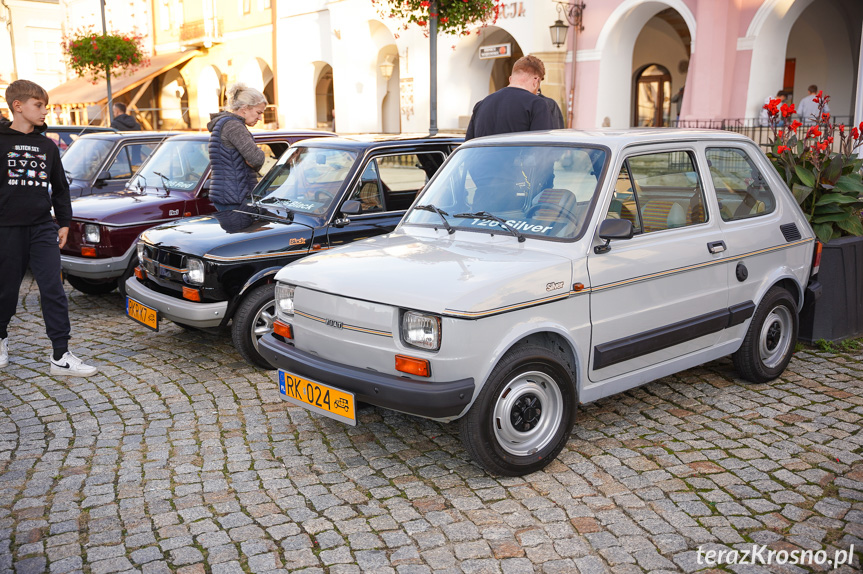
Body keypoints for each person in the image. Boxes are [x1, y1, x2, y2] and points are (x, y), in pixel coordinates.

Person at [0, 79, 98, 376]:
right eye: (38, 105)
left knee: (53, 289)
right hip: (6, 228)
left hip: (43, 227)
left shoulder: (47, 145)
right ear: (18, 106)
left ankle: (60, 354)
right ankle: (1, 338)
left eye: (45, 106)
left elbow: (60, 188)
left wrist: (64, 222)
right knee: (5, 291)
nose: (45, 111)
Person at [207, 83, 267, 211]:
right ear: (245, 108)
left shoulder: (224, 123)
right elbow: (256, 159)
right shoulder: (234, 126)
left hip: (228, 195)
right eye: (258, 112)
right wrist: (260, 152)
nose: (260, 118)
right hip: (236, 197)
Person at [465, 55, 554, 140]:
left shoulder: (481, 105)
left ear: (510, 79)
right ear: (536, 81)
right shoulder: (537, 104)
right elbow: (541, 147)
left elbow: (468, 146)